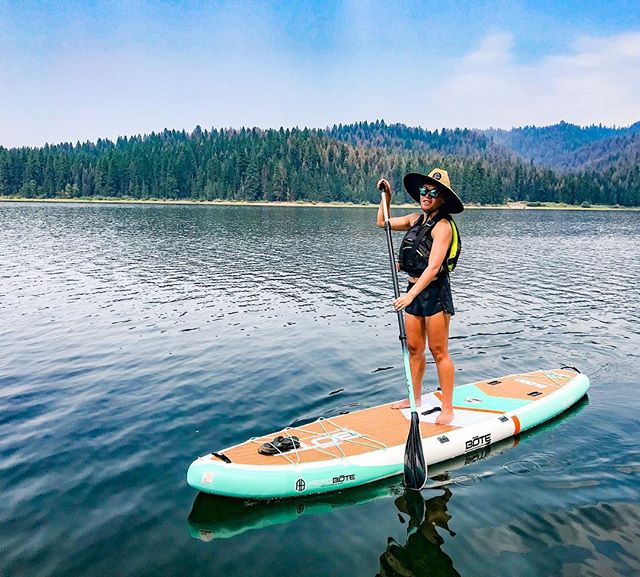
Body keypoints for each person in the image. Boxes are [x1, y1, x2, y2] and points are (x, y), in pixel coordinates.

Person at [376, 168, 464, 425]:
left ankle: (447, 408)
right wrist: (387, 198)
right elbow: (383, 223)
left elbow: (434, 267)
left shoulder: (444, 227)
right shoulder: (415, 219)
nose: (426, 196)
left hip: (434, 293)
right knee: (415, 349)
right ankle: (414, 398)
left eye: (433, 192)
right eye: (423, 191)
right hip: (413, 292)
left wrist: (410, 296)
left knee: (439, 351)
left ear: (442, 198)